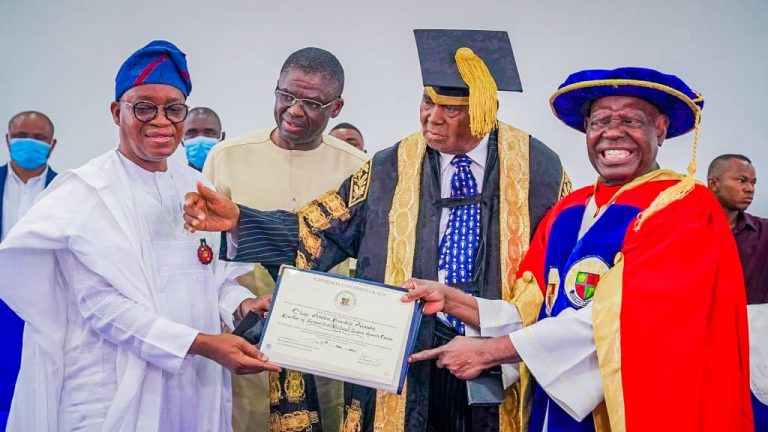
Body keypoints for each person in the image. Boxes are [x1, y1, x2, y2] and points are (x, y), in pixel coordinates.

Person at [184, 29, 569, 432]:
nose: (432, 118)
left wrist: (500, 339)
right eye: (427, 102)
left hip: (497, 361)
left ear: (484, 110)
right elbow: (320, 230)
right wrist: (241, 220)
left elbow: (558, 267)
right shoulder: (389, 167)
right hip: (402, 360)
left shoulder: (538, 170)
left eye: (450, 110)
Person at [403, 67, 754, 431]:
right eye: (600, 121)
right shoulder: (568, 210)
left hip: (645, 406)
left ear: (661, 128)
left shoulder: (684, 207)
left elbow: (620, 319)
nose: (612, 132)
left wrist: (491, 351)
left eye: (631, 120)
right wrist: (455, 301)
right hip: (555, 409)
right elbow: (535, 312)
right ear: (586, 129)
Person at [0, 40, 279, 431]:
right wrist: (200, 343)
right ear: (118, 112)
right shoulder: (85, 192)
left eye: (173, 109)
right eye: (145, 107)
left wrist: (241, 306)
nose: (161, 121)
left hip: (195, 383)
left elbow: (212, 279)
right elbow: (99, 304)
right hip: (109, 385)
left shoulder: (197, 186)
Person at [202, 47, 368, 432]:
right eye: (286, 95)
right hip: (247, 339)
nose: (294, 110)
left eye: (311, 102)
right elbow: (206, 257)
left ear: (336, 107)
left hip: (328, 346)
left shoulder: (358, 169)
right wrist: (236, 305)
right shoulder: (226, 158)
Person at [0, 110, 58, 429]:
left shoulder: (64, 190)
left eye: (39, 138)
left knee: (32, 383)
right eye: (22, 136)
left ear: (52, 144)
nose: (30, 143)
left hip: (41, 302)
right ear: (8, 140)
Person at [707, 154, 767, 429]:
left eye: (753, 182)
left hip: (755, 353)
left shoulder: (764, 233)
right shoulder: (688, 231)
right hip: (703, 349)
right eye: (741, 180)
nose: (749, 189)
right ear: (714, 184)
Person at [183, 106, 225, 171]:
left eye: (210, 133)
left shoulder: (235, 176)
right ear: (181, 140)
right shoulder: (172, 176)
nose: (200, 139)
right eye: (191, 134)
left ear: (222, 138)